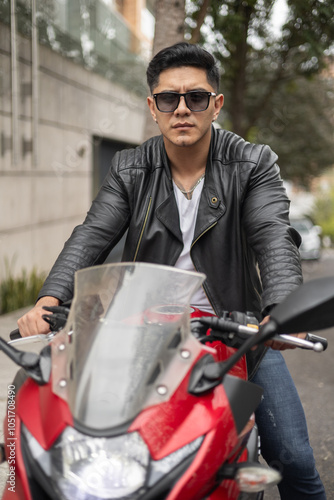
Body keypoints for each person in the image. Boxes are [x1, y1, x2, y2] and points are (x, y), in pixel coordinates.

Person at [18, 42, 325, 499]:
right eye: (168, 98)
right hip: (148, 336)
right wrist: (49, 300)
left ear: (215, 104)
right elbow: (91, 235)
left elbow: (273, 236)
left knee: (294, 458)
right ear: (153, 107)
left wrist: (277, 314)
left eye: (196, 97)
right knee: (110, 452)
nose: (182, 109)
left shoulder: (253, 164)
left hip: (238, 333)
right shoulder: (130, 167)